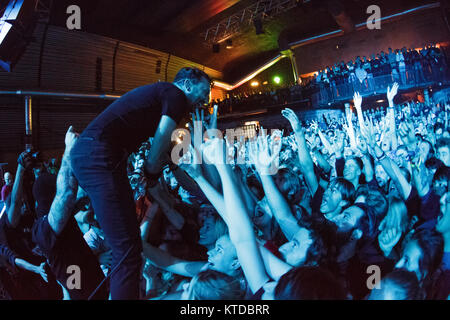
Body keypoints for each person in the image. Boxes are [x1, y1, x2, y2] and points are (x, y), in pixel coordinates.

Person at [69, 67, 211, 299]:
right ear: (186, 85)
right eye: (203, 91)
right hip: (99, 155)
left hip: (96, 155)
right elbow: (162, 138)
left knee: (129, 245)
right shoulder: (174, 94)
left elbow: (164, 149)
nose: (205, 99)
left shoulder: (163, 95)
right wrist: (151, 173)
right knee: (127, 250)